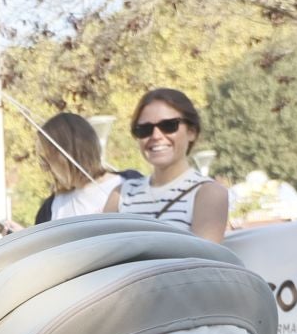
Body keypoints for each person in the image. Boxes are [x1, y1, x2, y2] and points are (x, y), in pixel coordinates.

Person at [104, 88, 230, 241]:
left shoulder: (208, 193)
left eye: (169, 126)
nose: (156, 136)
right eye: (145, 129)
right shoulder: (121, 195)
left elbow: (205, 260)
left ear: (192, 132)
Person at [32, 112, 122, 223]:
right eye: (42, 160)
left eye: (47, 159)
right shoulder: (50, 210)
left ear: (67, 154)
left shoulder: (129, 187)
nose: (45, 168)